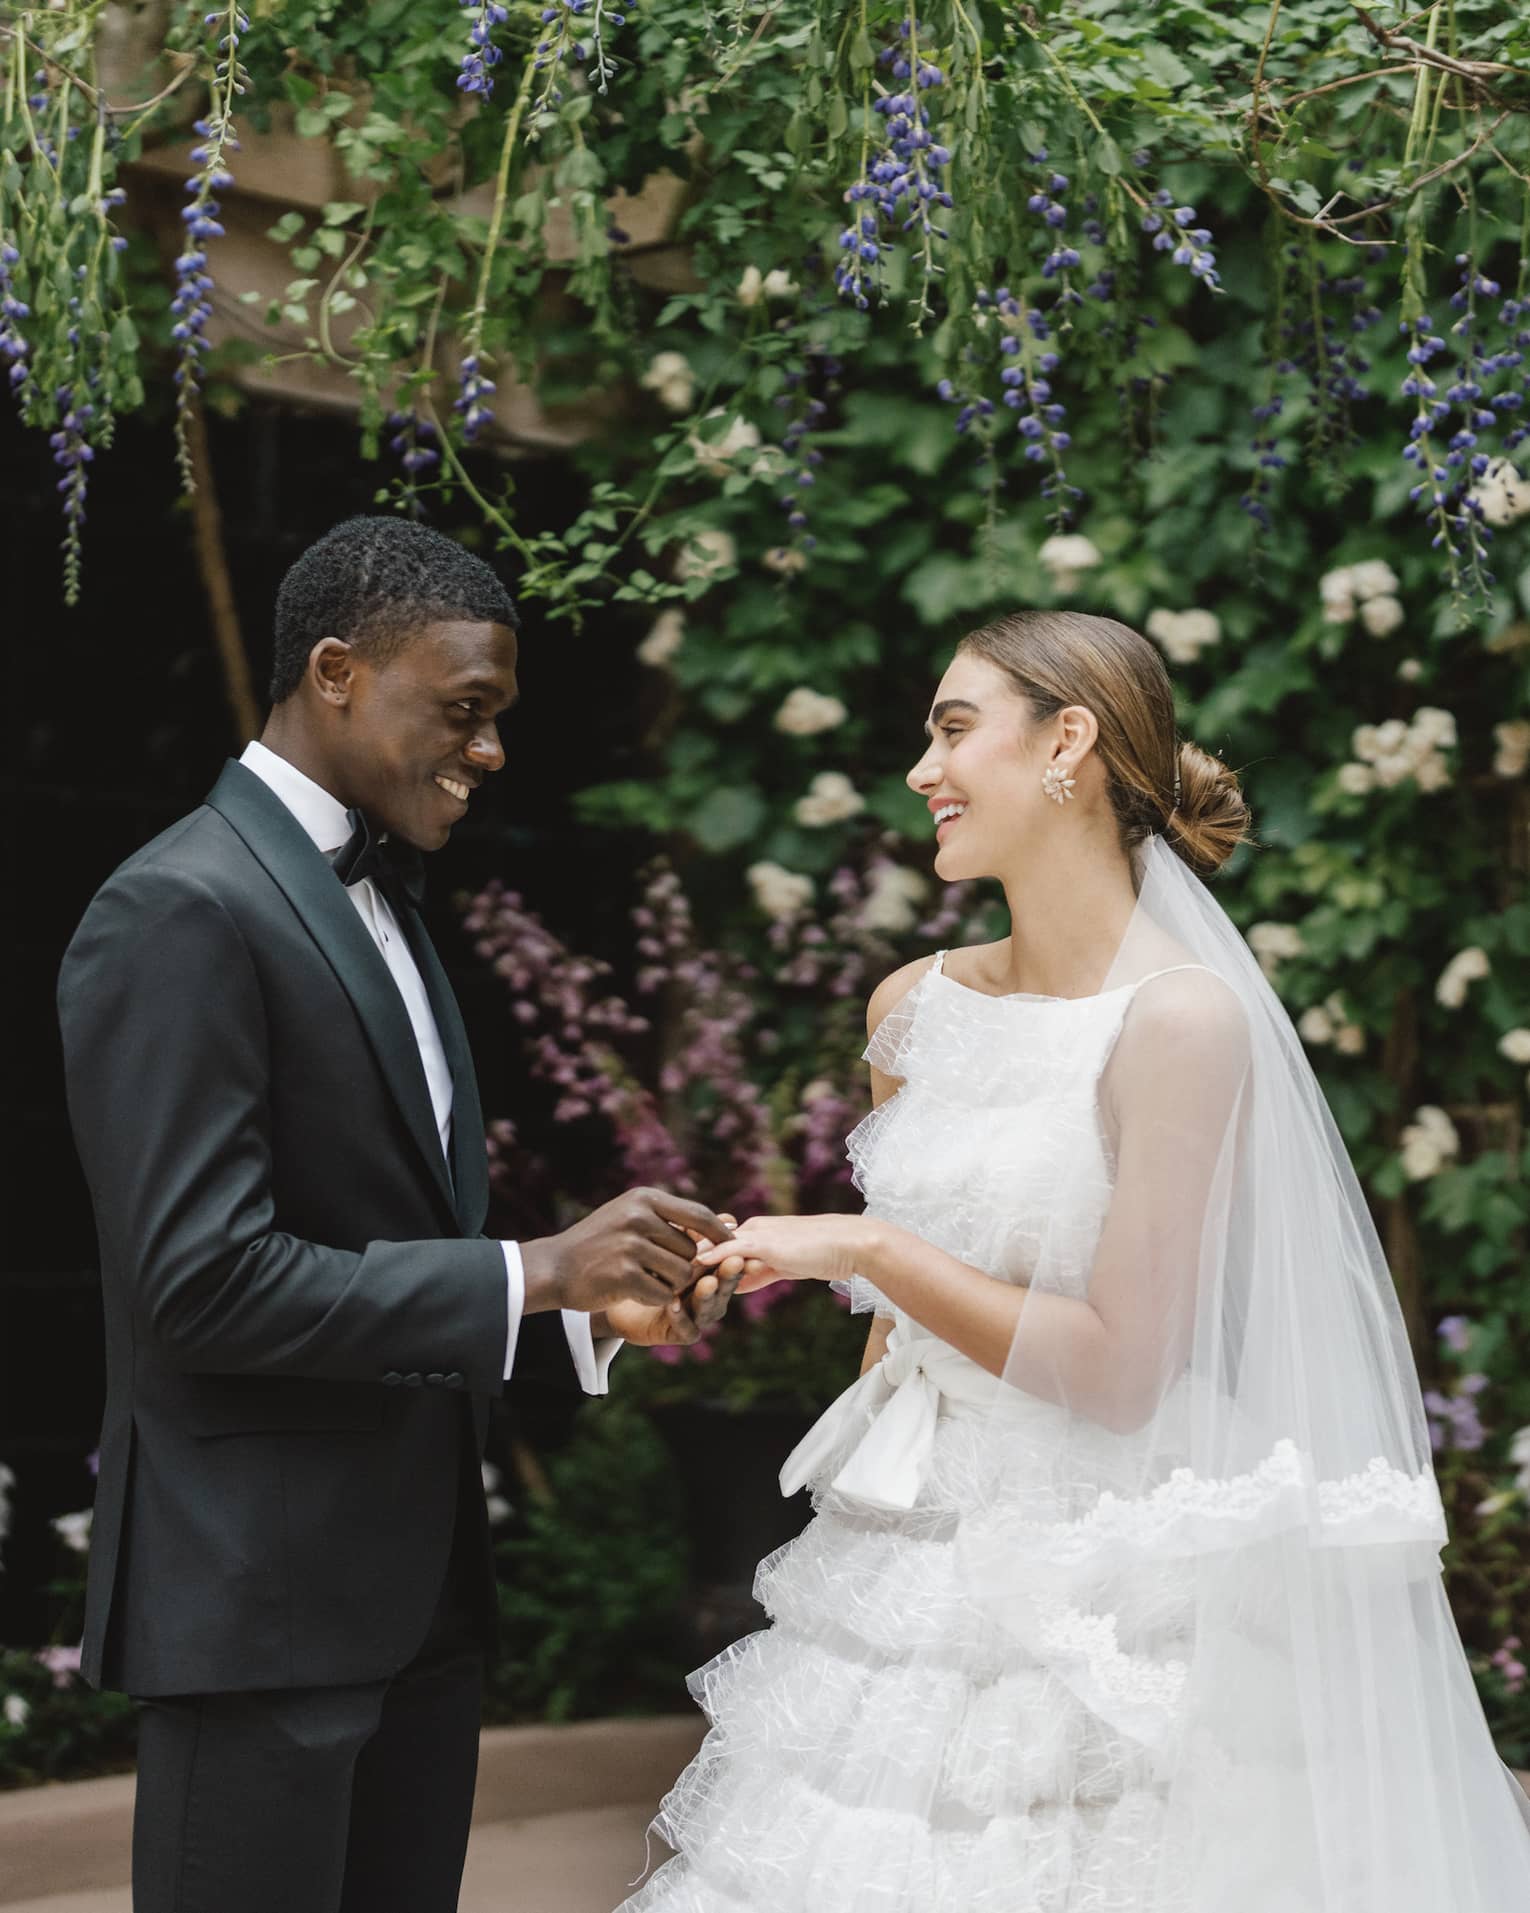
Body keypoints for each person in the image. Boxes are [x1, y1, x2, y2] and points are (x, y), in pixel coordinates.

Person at [632, 609, 1530, 1910]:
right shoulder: (909, 1007)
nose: (918, 772)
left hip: (1106, 1575)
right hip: (901, 1560)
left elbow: (1119, 1369)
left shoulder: (1176, 1022)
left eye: (950, 729)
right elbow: (895, 1334)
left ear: (1067, 740)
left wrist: (867, 1243)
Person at [57, 516, 740, 1913]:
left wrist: (577, 1312)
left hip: (417, 1607)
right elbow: (200, 1282)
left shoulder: (385, 905)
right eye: (467, 709)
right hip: (257, 1611)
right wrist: (531, 1270)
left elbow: (383, 1227)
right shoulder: (177, 907)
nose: (490, 751)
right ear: (336, 672)